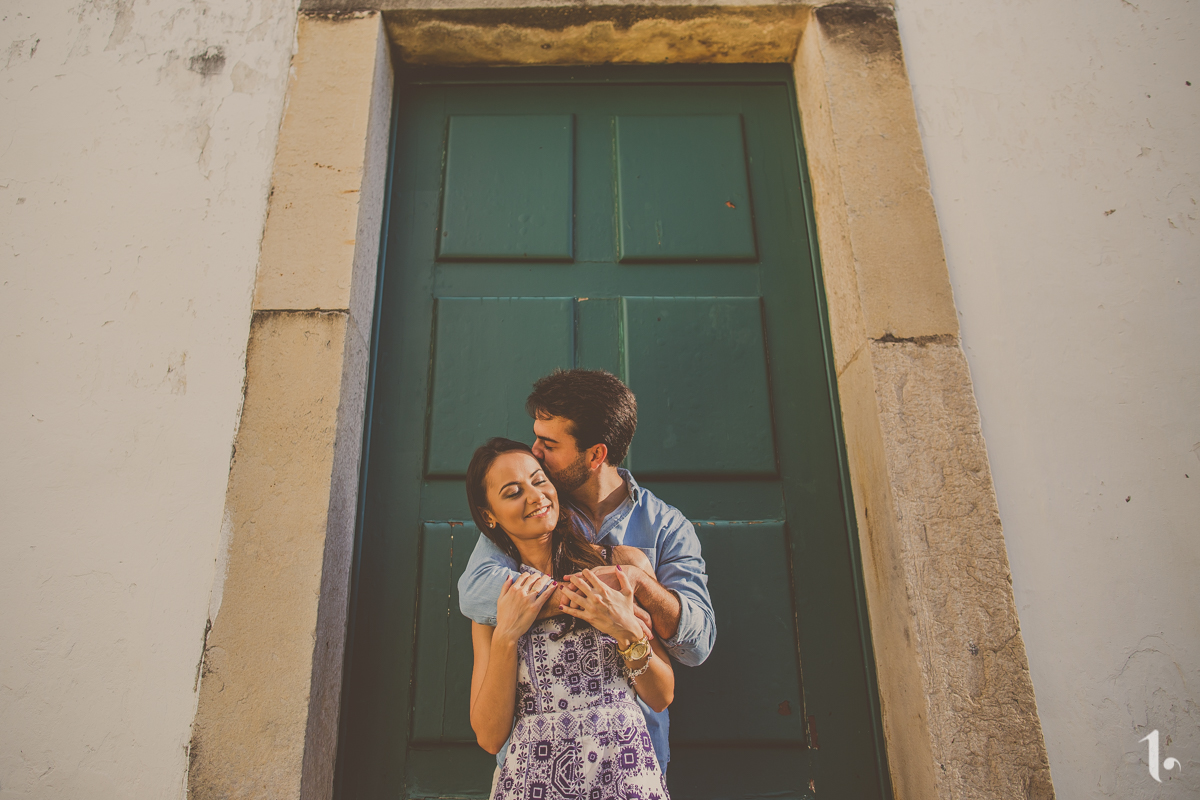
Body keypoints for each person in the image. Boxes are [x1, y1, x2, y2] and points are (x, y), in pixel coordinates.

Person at [459, 369, 716, 776]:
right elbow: (475, 594)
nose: (534, 451)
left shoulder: (667, 527)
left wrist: (640, 585)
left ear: (595, 455)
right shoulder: (528, 514)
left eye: (548, 444)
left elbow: (697, 644)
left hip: (631, 761)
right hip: (532, 767)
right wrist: (590, 592)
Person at [467, 438, 674, 800]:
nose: (536, 497)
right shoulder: (497, 600)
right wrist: (505, 638)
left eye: (540, 480)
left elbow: (661, 695)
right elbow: (489, 736)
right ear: (489, 515)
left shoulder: (620, 566)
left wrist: (626, 632)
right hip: (532, 781)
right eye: (513, 492)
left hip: (625, 774)